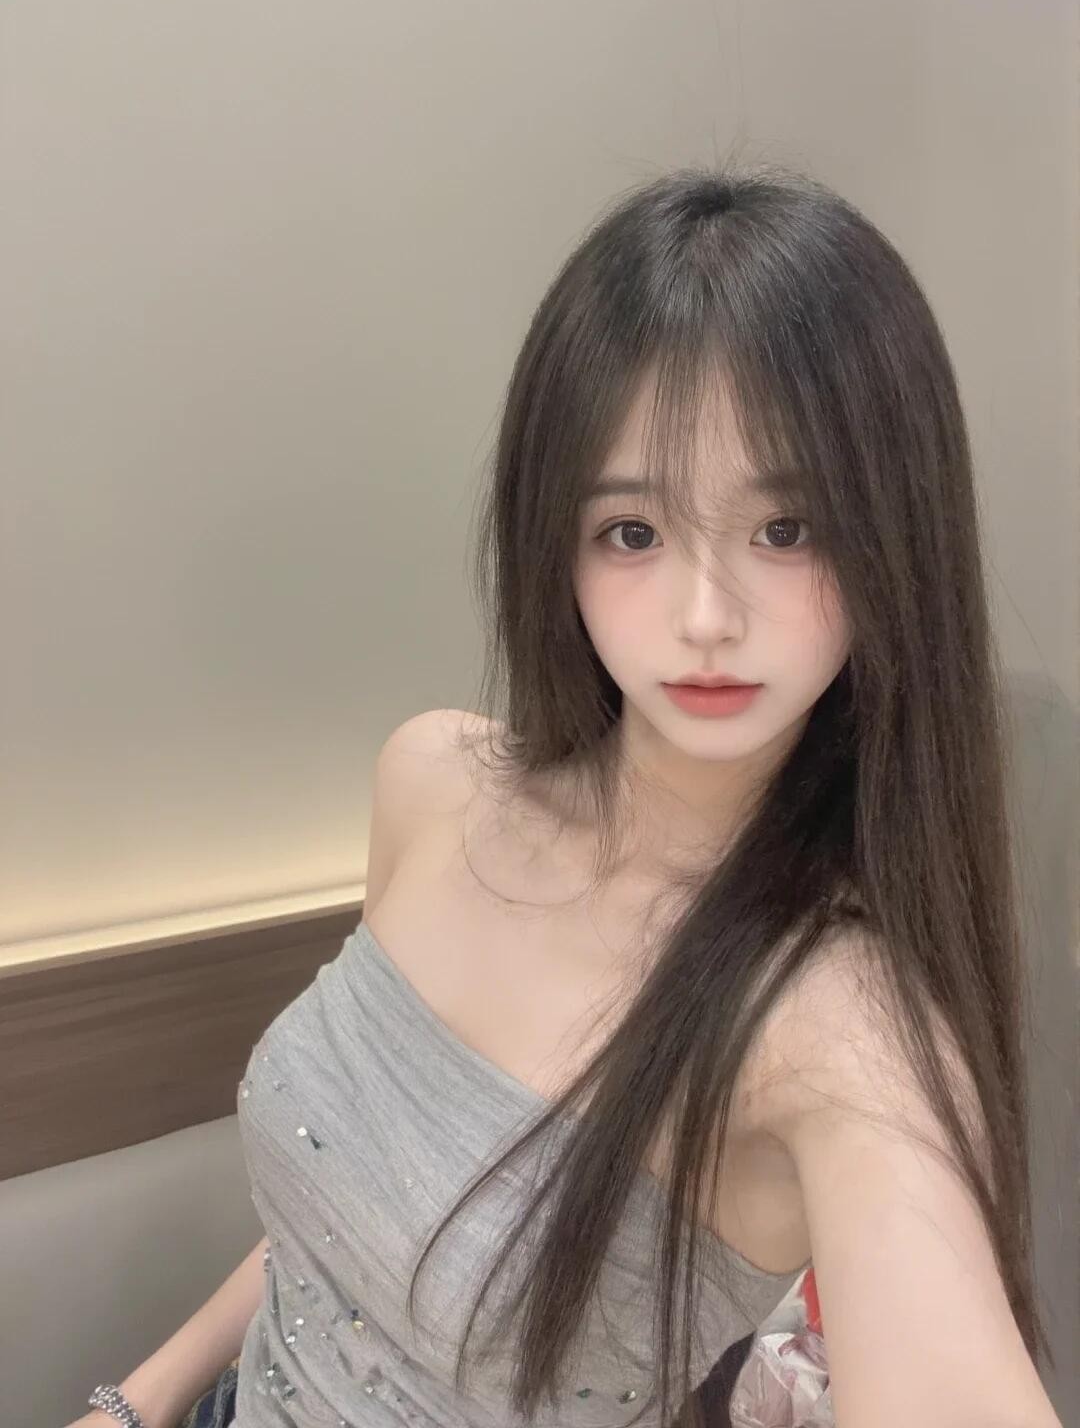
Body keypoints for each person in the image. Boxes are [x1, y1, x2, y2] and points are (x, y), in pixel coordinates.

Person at [73, 161, 1064, 1428]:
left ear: (896, 537)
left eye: (787, 529)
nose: (705, 617)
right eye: (634, 532)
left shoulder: (836, 1033)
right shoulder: (433, 781)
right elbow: (352, 1224)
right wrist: (135, 1399)